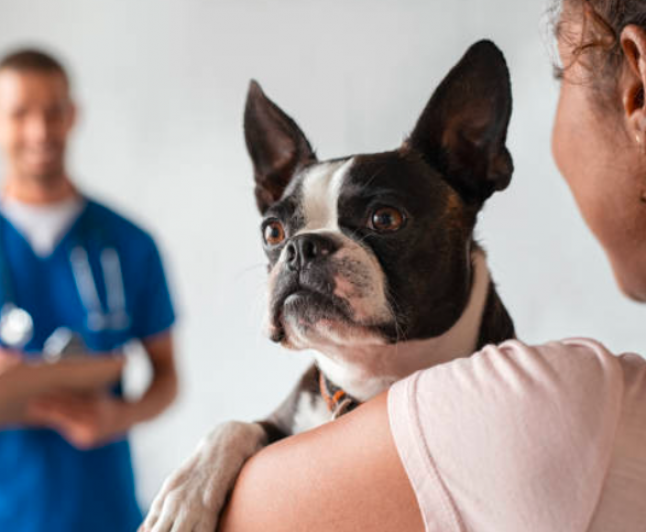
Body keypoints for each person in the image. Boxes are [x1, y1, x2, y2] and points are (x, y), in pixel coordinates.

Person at [218, 1, 646, 531]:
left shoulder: (530, 403)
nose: (299, 253)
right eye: (279, 233)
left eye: (384, 218)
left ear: (638, 95)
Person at [0, 48, 179, 532]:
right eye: (21, 114)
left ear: (73, 115)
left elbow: (167, 379)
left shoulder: (129, 245)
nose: (40, 131)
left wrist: (117, 415)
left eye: (54, 111)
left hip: (100, 513)